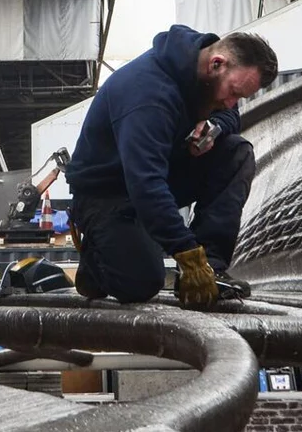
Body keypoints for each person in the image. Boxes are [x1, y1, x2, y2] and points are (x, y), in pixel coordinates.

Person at [66, 25, 278, 307]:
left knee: (235, 152)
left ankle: (212, 268)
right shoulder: (147, 95)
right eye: (232, 93)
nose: (230, 103)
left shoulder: (205, 78)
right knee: (141, 283)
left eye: (238, 97)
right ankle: (97, 262)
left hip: (157, 176)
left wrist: (213, 127)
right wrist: (188, 254)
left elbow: (231, 117)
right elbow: (145, 184)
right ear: (216, 64)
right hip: (106, 195)